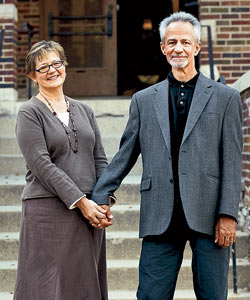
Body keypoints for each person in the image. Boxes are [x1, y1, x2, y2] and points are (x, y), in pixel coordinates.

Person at [91, 12, 243, 300]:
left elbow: (233, 161)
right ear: (162, 48)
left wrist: (228, 215)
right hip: (160, 213)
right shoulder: (144, 100)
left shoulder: (226, 98)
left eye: (186, 42)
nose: (178, 48)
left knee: (213, 295)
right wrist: (101, 193)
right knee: (150, 295)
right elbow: (125, 154)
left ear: (197, 47)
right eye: (171, 42)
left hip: (210, 215)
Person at [14, 40, 112, 300]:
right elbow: (42, 165)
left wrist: (103, 202)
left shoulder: (85, 110)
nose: (52, 70)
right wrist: (81, 202)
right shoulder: (29, 113)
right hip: (47, 211)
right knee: (47, 287)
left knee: (83, 286)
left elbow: (100, 159)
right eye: (43, 66)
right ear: (32, 76)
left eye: (56, 63)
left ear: (65, 66)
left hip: (89, 213)